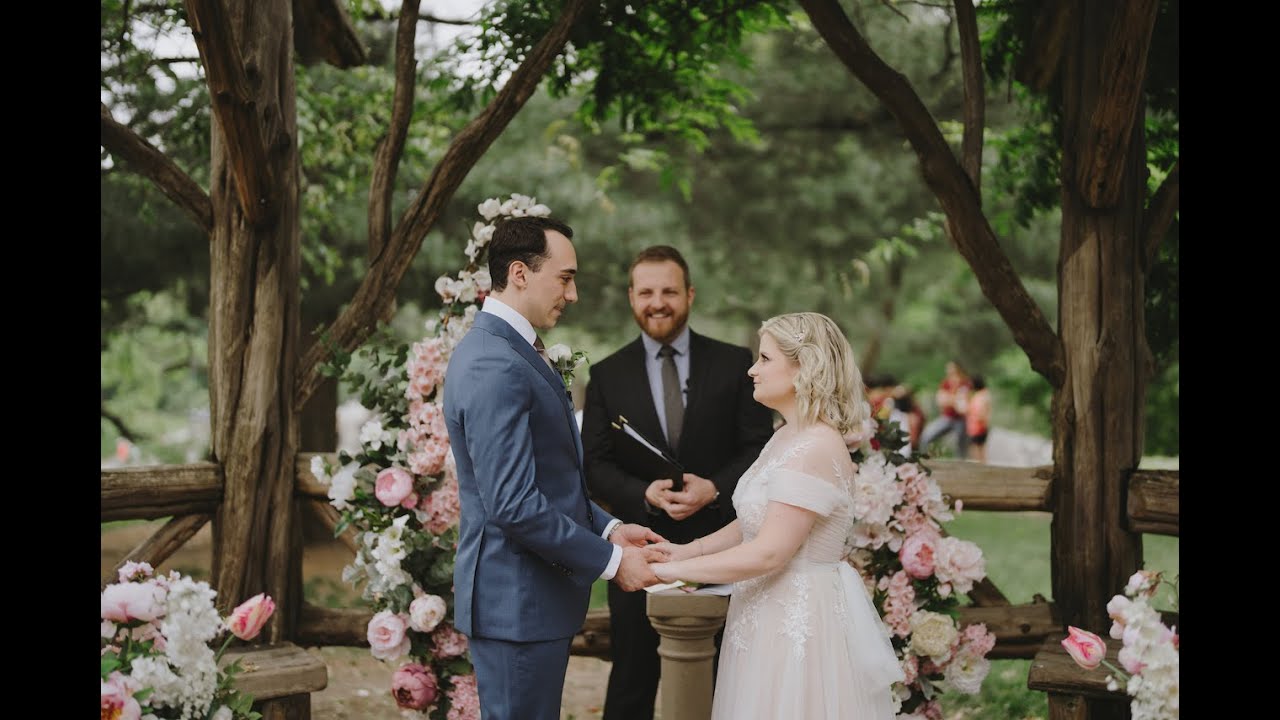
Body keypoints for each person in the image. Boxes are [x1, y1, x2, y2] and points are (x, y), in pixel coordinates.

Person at [442, 216, 667, 720]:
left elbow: (544, 481)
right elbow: (513, 504)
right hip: (516, 600)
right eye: (565, 278)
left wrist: (608, 529)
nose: (574, 293)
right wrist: (612, 564)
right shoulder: (493, 363)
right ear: (519, 273)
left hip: (530, 600)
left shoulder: (513, 351)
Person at [647, 312, 904, 719]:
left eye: (765, 359)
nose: (752, 370)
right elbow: (753, 521)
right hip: (763, 613)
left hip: (797, 622)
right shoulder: (786, 435)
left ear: (805, 366)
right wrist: (681, 552)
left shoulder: (816, 446)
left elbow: (769, 552)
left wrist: (672, 573)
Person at [581, 245, 775, 720]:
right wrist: (641, 494)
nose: (658, 302)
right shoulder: (606, 374)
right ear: (631, 297)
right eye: (646, 292)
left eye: (669, 290)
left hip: (728, 549)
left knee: (727, 673)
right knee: (632, 675)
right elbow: (593, 465)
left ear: (689, 295)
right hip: (642, 550)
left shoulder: (735, 364)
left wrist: (715, 487)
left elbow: (760, 449)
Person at [917, 360, 972, 457]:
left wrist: (949, 399)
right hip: (947, 417)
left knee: (961, 445)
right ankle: (925, 458)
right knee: (927, 436)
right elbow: (940, 401)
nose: (948, 371)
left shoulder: (966, 383)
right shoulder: (946, 383)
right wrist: (954, 400)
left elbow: (963, 406)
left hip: (961, 419)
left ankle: (962, 464)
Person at [966, 374, 991, 463]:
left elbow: (981, 412)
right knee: (978, 452)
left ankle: (981, 470)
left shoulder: (981, 396)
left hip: (978, 427)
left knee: (977, 452)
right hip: (977, 427)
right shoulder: (981, 394)